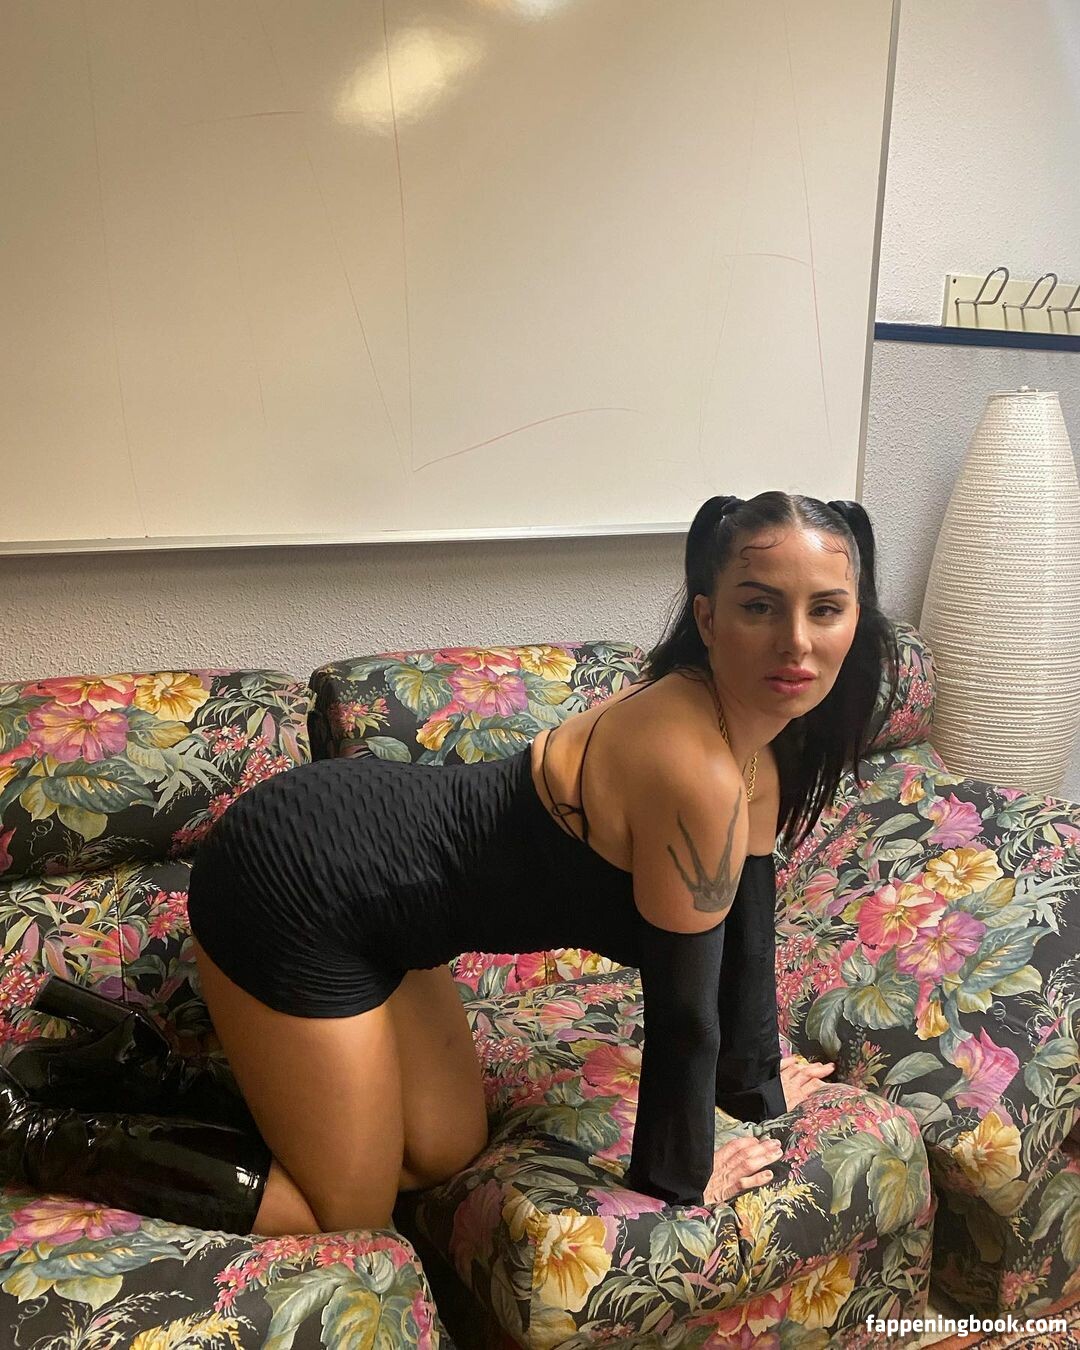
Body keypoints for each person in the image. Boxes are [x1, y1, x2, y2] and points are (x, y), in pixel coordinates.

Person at [0, 491, 898, 1237]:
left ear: (858, 617)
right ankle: (29, 1131)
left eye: (825, 609)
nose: (796, 642)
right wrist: (682, 1176)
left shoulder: (758, 748)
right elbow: (684, 1009)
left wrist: (759, 1084)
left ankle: (146, 1072)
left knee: (441, 1152)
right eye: (759, 606)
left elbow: (747, 932)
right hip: (296, 876)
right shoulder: (693, 763)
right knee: (345, 1211)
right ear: (707, 616)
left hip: (395, 908)